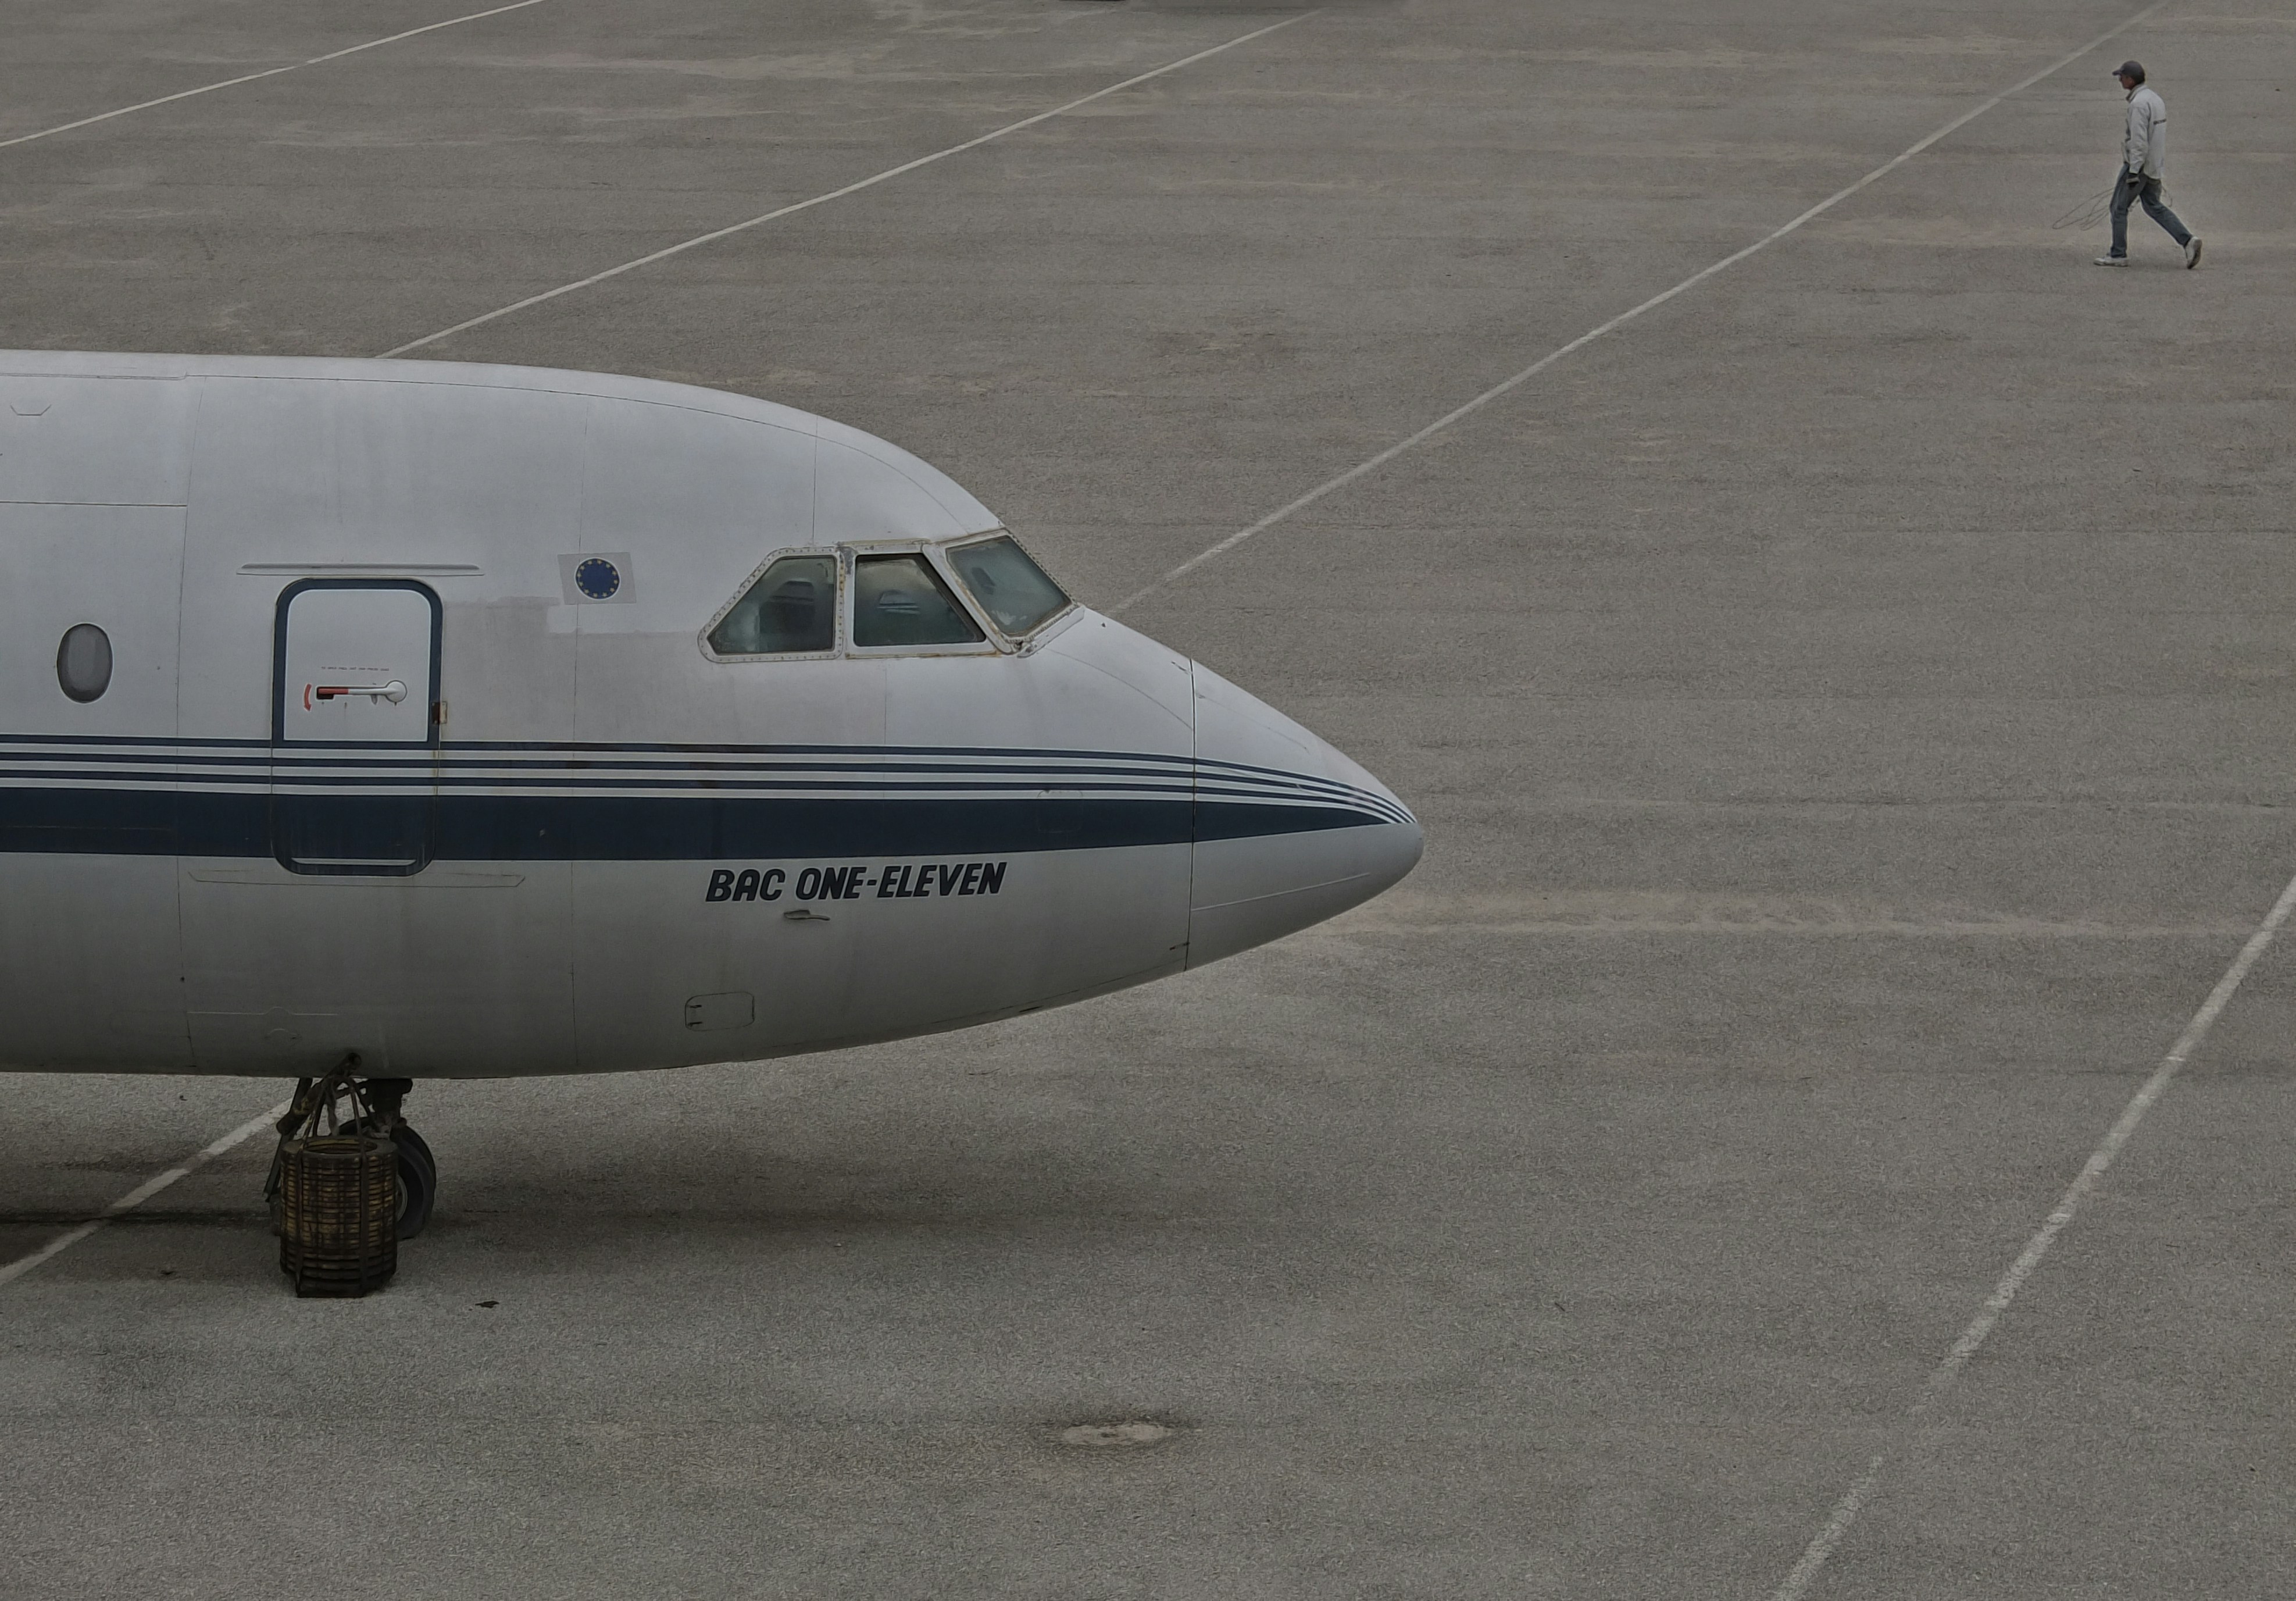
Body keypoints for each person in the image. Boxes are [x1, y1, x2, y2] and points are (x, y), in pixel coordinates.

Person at [2095, 61, 2200, 268]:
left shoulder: (2138, 105)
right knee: (2153, 206)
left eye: (2122, 77)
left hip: (2139, 166)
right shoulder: (2154, 99)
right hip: (2154, 165)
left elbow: (2139, 141)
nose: (2120, 80)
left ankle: (2118, 254)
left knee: (2118, 208)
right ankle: (2188, 241)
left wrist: (2134, 171)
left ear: (2130, 80)